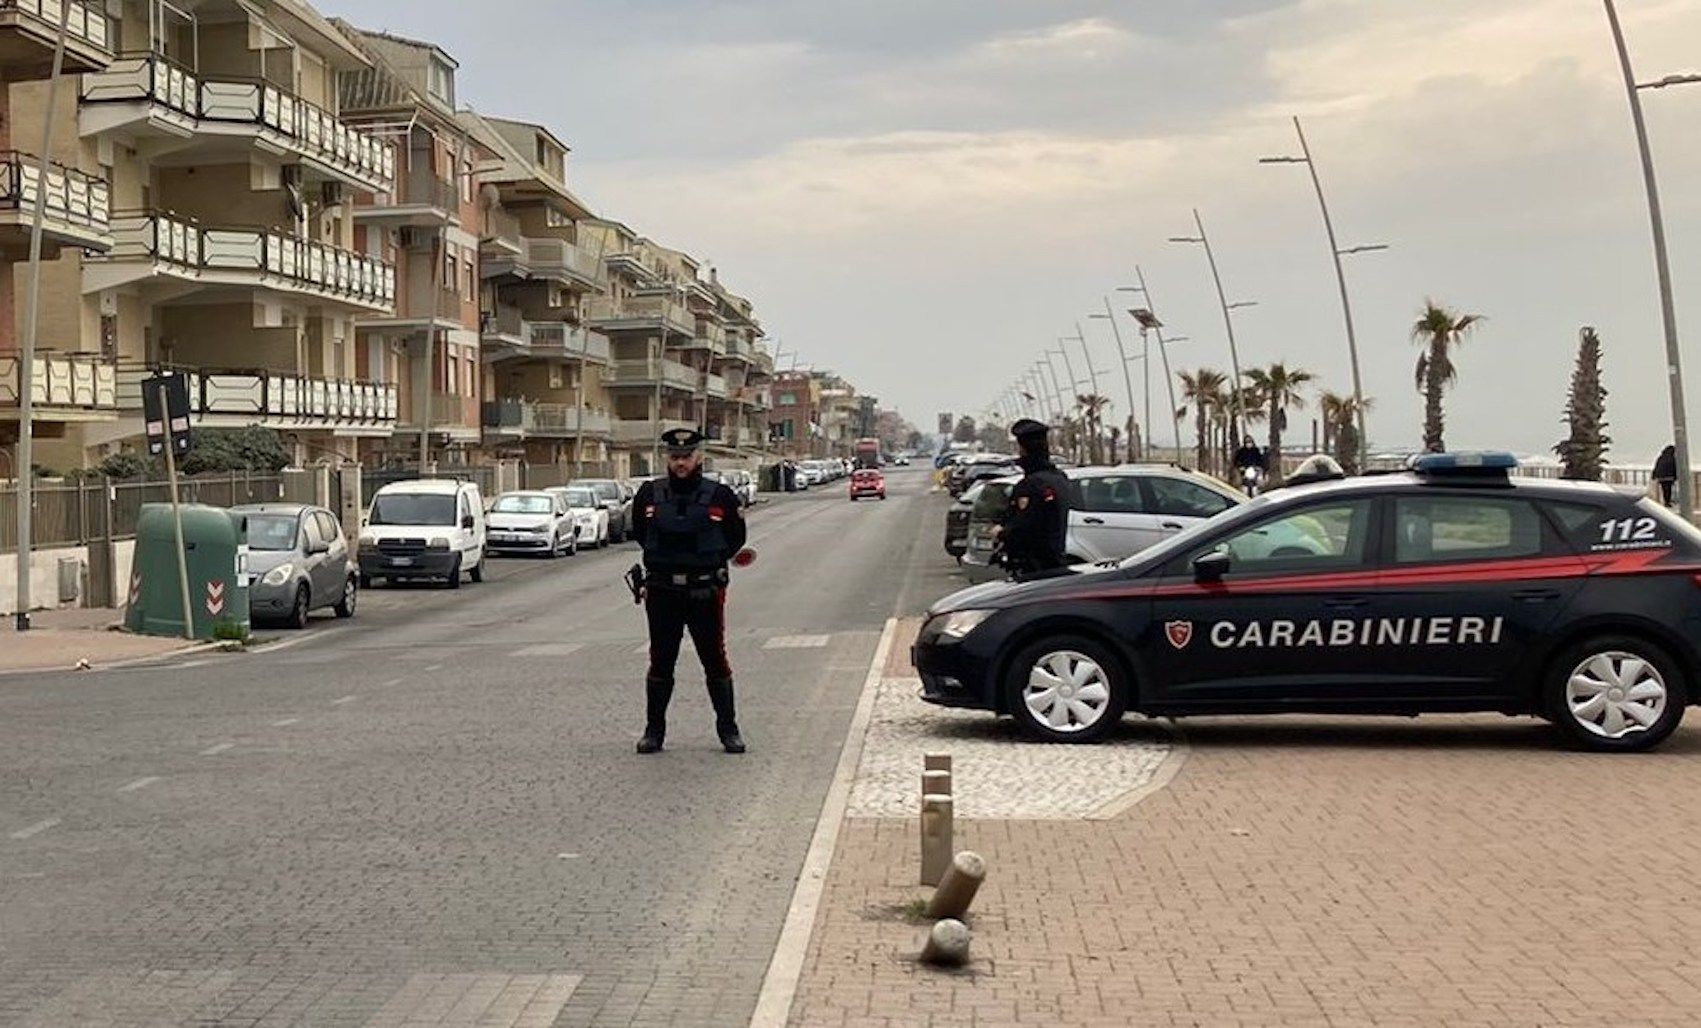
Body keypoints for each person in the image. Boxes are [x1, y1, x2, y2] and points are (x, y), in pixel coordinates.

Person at [630, 428, 748, 755]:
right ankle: (654, 731)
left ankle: (728, 729)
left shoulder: (721, 495)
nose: (680, 463)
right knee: (661, 660)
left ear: (699, 457)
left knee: (715, 659)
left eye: (686, 457)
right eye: (674, 457)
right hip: (663, 589)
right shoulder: (650, 495)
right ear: (666, 458)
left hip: (704, 591)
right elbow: (641, 533)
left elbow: (734, 538)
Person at [994, 418, 1071, 578]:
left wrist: (1001, 533)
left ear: (1024, 449)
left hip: (1033, 569)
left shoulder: (1031, 485)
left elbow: (1024, 527)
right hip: (1055, 564)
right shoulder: (1059, 478)